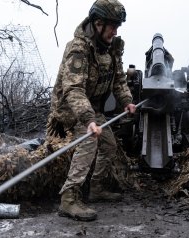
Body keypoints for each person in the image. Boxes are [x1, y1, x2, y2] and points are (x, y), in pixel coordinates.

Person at [46, 0, 136, 221]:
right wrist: (87, 119)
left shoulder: (113, 48)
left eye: (118, 27)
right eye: (112, 26)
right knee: (88, 140)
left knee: (109, 144)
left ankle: (96, 188)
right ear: (98, 24)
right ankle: (68, 199)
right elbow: (73, 89)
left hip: (93, 108)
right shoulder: (78, 49)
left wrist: (126, 100)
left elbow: (119, 80)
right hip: (72, 109)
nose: (115, 31)